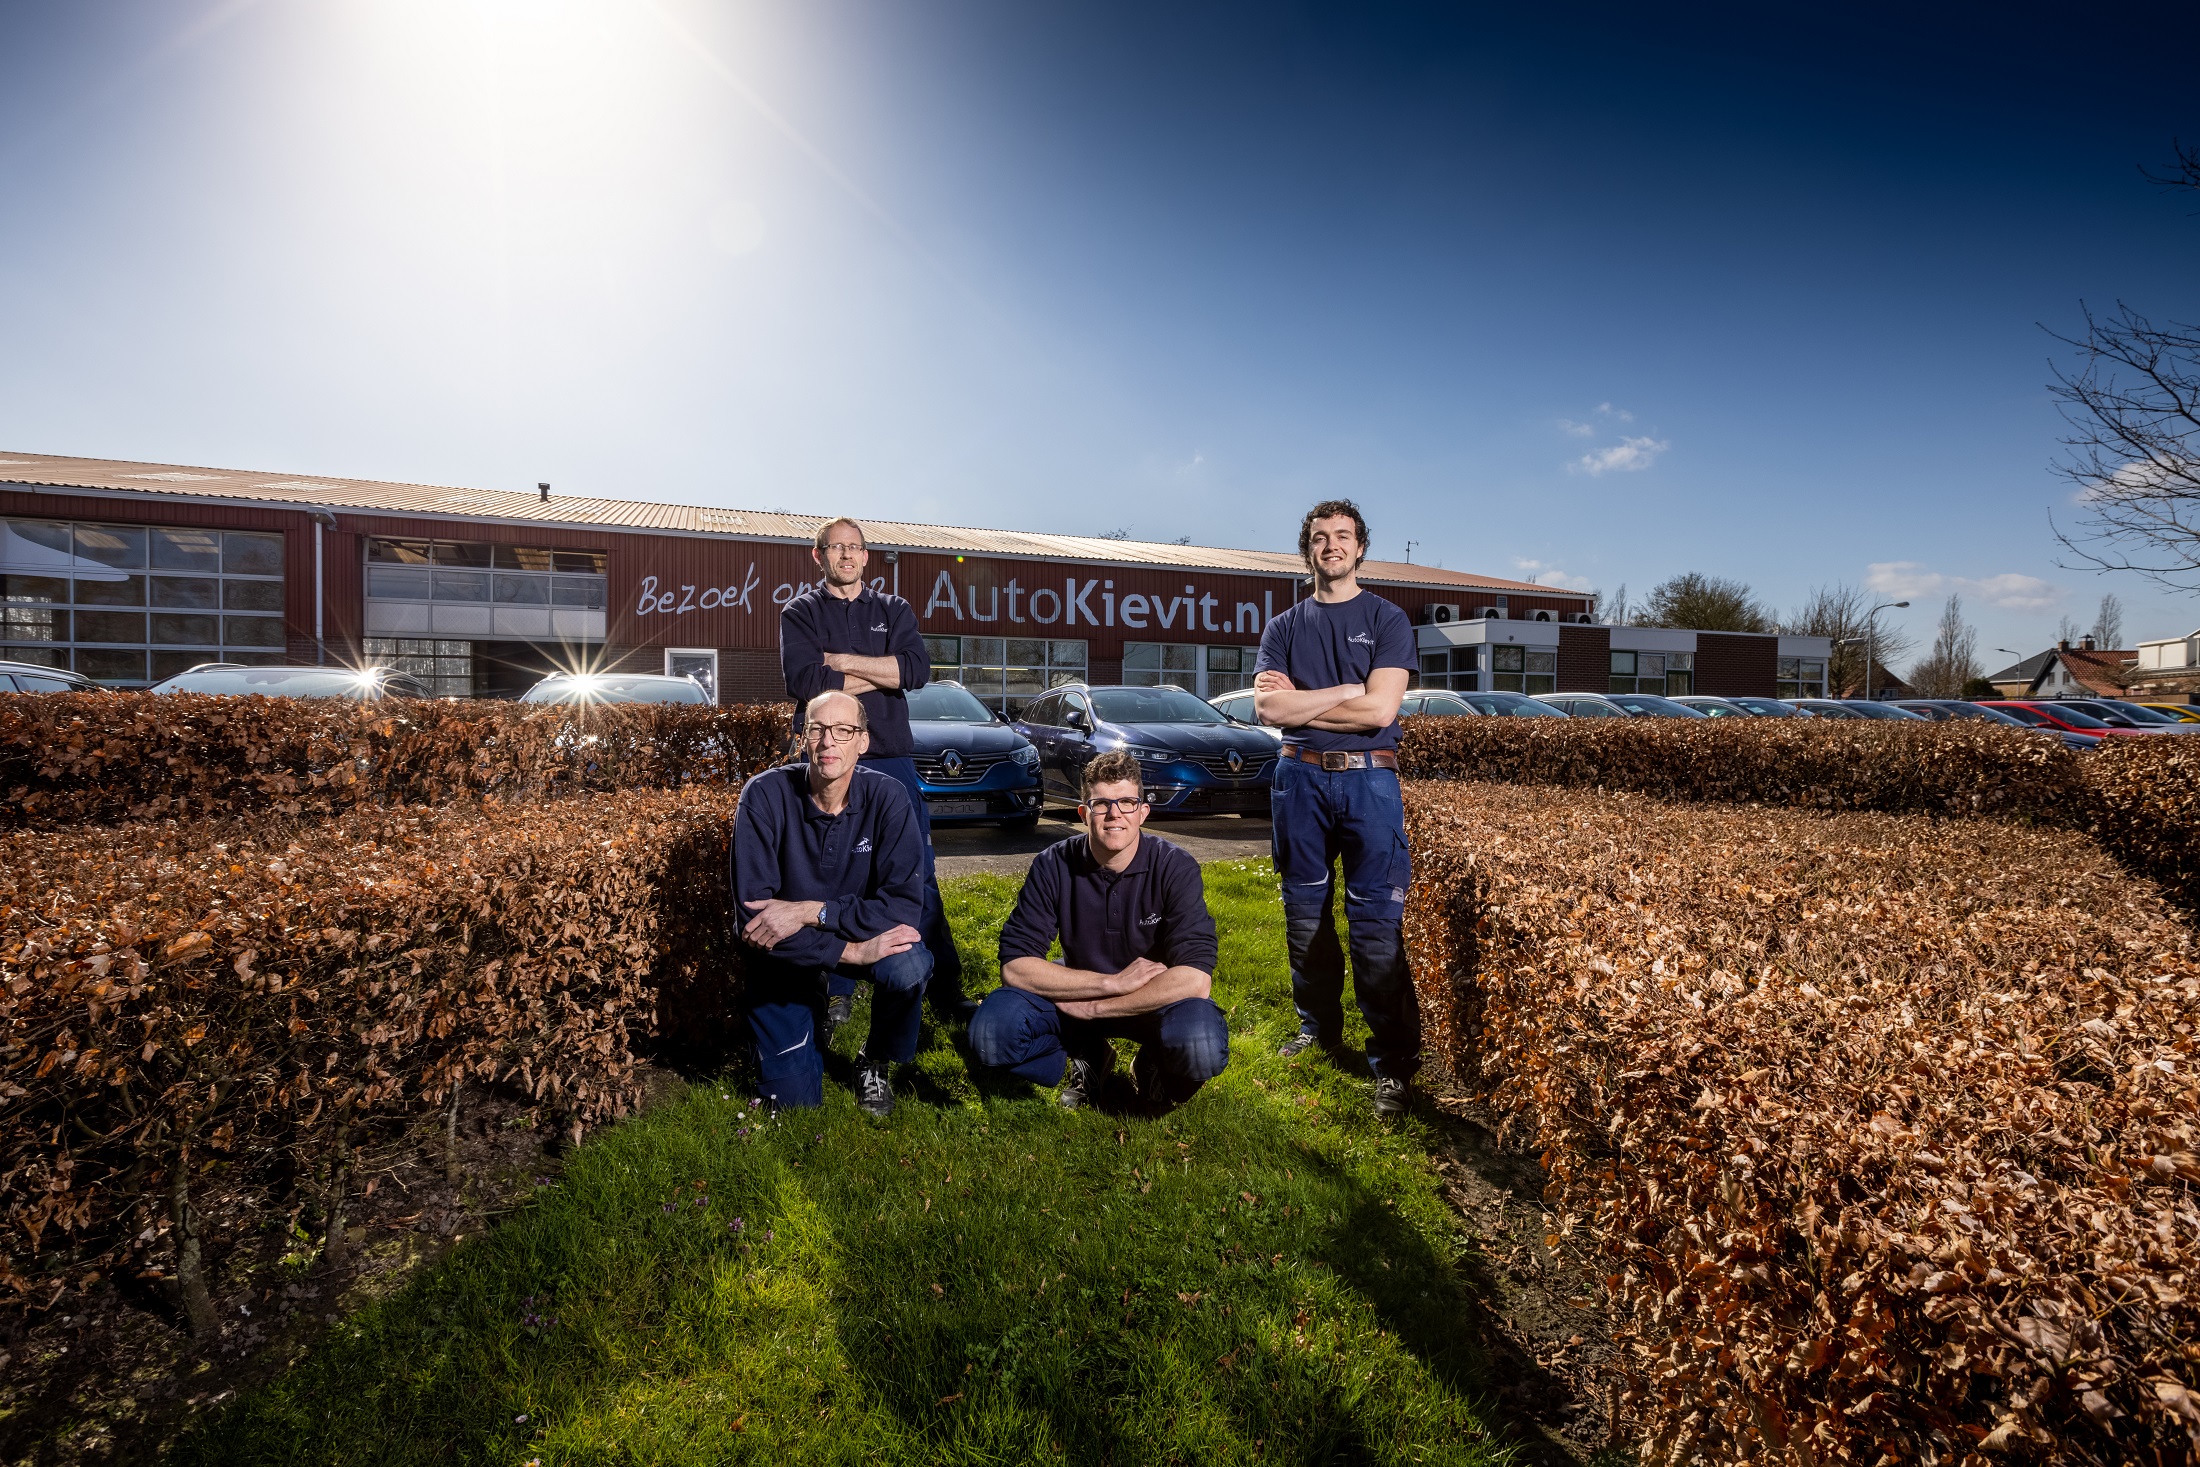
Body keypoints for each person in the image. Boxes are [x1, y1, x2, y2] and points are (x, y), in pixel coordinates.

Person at [1251, 499, 1420, 1116]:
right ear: (1308, 550)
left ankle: (1392, 1063)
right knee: (1305, 916)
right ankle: (1318, 1030)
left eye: (1342, 536)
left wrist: (1310, 702)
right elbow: (1268, 709)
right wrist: (1349, 689)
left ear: (1360, 547)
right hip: (1298, 780)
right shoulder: (1283, 628)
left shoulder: (1387, 618)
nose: (1331, 546)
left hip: (1369, 784)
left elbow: (1381, 711)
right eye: (1320, 537)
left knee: (1375, 927)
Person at [778, 516, 972, 1030]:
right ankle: (835, 986)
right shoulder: (800, 612)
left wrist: (840, 662)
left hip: (891, 758)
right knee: (829, 872)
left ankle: (944, 988)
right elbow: (805, 681)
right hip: (828, 757)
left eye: (854, 547)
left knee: (917, 873)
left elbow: (916, 671)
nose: (846, 555)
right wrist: (882, 670)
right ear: (818, 555)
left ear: (866, 557)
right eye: (835, 547)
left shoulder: (894, 608)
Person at [966, 751, 1229, 1114]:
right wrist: (1109, 984)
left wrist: (1098, 1008)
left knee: (1201, 1047)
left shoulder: (1175, 866)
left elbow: (1195, 979)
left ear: (1143, 812)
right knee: (992, 1035)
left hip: (1155, 1001)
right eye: (1101, 803)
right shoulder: (1053, 864)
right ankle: (1089, 1054)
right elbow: (1015, 966)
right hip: (1079, 991)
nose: (1114, 813)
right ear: (1083, 813)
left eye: (1126, 802)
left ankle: (1155, 1063)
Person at [732, 690, 932, 1118]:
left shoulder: (889, 797)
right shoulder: (764, 795)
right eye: (817, 729)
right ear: (802, 737)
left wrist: (810, 911)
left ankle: (874, 1058)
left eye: (843, 730)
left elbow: (902, 907)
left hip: (838, 931)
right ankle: (812, 997)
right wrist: (851, 952)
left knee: (909, 964)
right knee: (794, 1103)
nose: (828, 741)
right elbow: (754, 919)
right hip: (786, 953)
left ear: (863, 741)